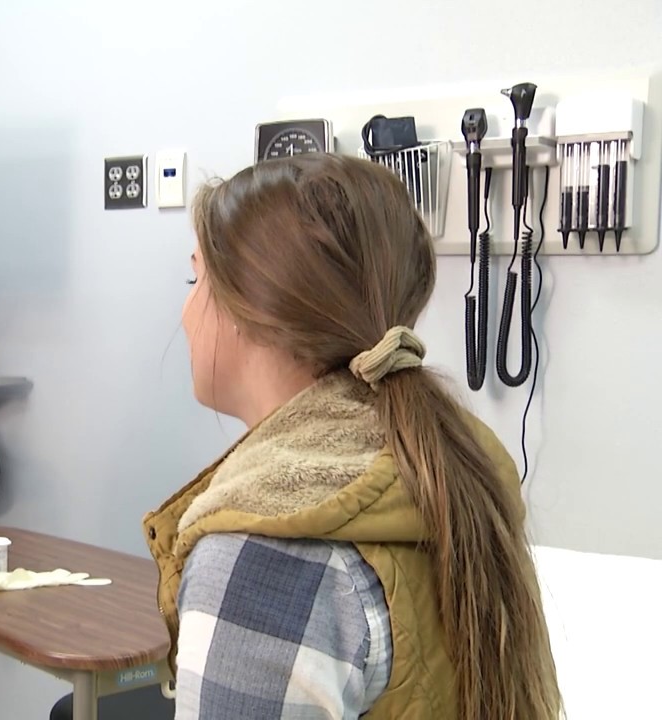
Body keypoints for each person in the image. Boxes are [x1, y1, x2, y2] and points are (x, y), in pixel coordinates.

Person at [142, 153, 562, 719]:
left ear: (246, 311)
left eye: (198, 280)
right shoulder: (442, 470)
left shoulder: (260, 557)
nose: (187, 310)